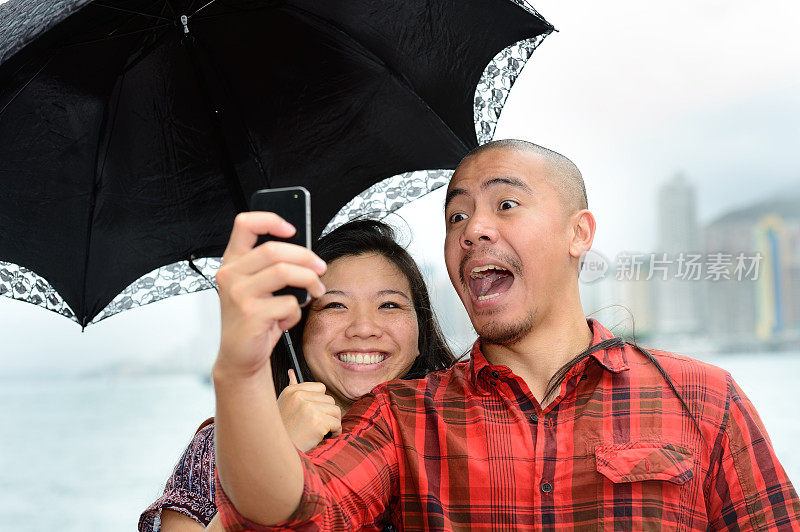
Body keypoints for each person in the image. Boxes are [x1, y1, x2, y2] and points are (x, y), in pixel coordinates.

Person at [212, 140, 800, 530]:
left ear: (579, 232)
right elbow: (291, 514)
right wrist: (238, 372)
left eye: (507, 203)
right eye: (457, 217)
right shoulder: (402, 416)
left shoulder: (703, 398)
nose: (473, 231)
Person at [138, 219, 455, 531]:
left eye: (388, 305)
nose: (363, 328)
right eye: (334, 305)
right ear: (299, 328)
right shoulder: (217, 450)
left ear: (420, 332)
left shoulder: (452, 439)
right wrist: (277, 455)